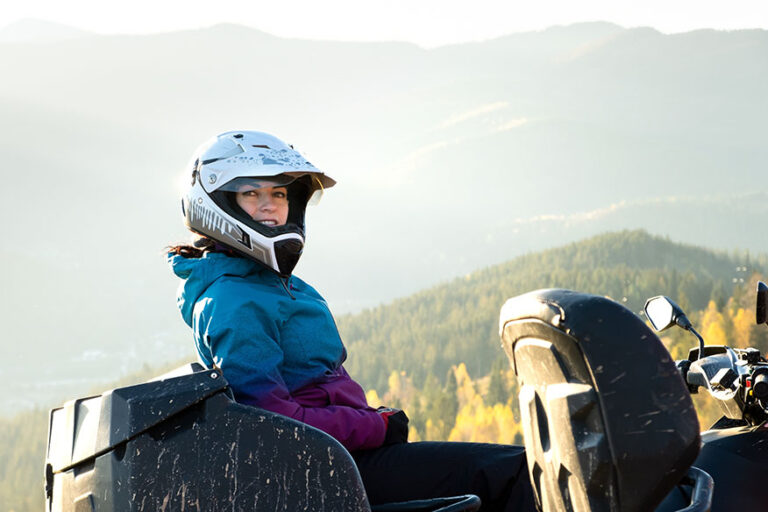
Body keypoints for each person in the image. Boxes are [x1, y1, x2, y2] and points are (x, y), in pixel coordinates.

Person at [168, 130, 535, 511]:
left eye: (279, 194)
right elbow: (273, 423)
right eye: (251, 193)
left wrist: (371, 421)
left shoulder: (266, 282)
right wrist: (375, 427)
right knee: (515, 472)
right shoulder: (233, 300)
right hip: (322, 473)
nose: (270, 206)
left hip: (339, 458)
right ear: (216, 204)